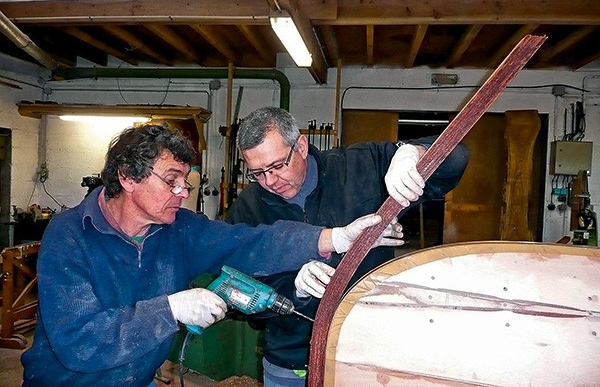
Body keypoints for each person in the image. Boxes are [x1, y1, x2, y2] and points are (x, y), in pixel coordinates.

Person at [20, 123, 406, 387]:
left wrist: (335, 238)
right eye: (171, 181)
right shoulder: (69, 234)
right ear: (127, 177)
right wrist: (169, 310)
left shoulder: (179, 228)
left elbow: (250, 242)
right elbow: (78, 342)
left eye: (185, 182)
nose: (182, 192)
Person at [226, 106, 469, 386]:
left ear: (301, 145)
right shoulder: (247, 210)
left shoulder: (362, 167)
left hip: (365, 353)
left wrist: (413, 152)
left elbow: (456, 156)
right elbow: (239, 292)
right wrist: (295, 289)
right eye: (257, 173)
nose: (270, 181)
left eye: (278, 166)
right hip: (290, 360)